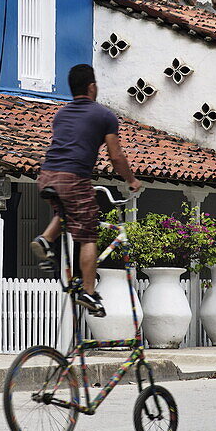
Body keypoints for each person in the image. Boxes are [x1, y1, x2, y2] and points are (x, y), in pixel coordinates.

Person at [31, 64, 141, 317]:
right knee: (88, 233)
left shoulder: (60, 114)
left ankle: (45, 239)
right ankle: (89, 292)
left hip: (47, 175)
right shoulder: (104, 116)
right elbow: (116, 156)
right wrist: (131, 180)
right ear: (92, 87)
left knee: (69, 212)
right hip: (74, 177)